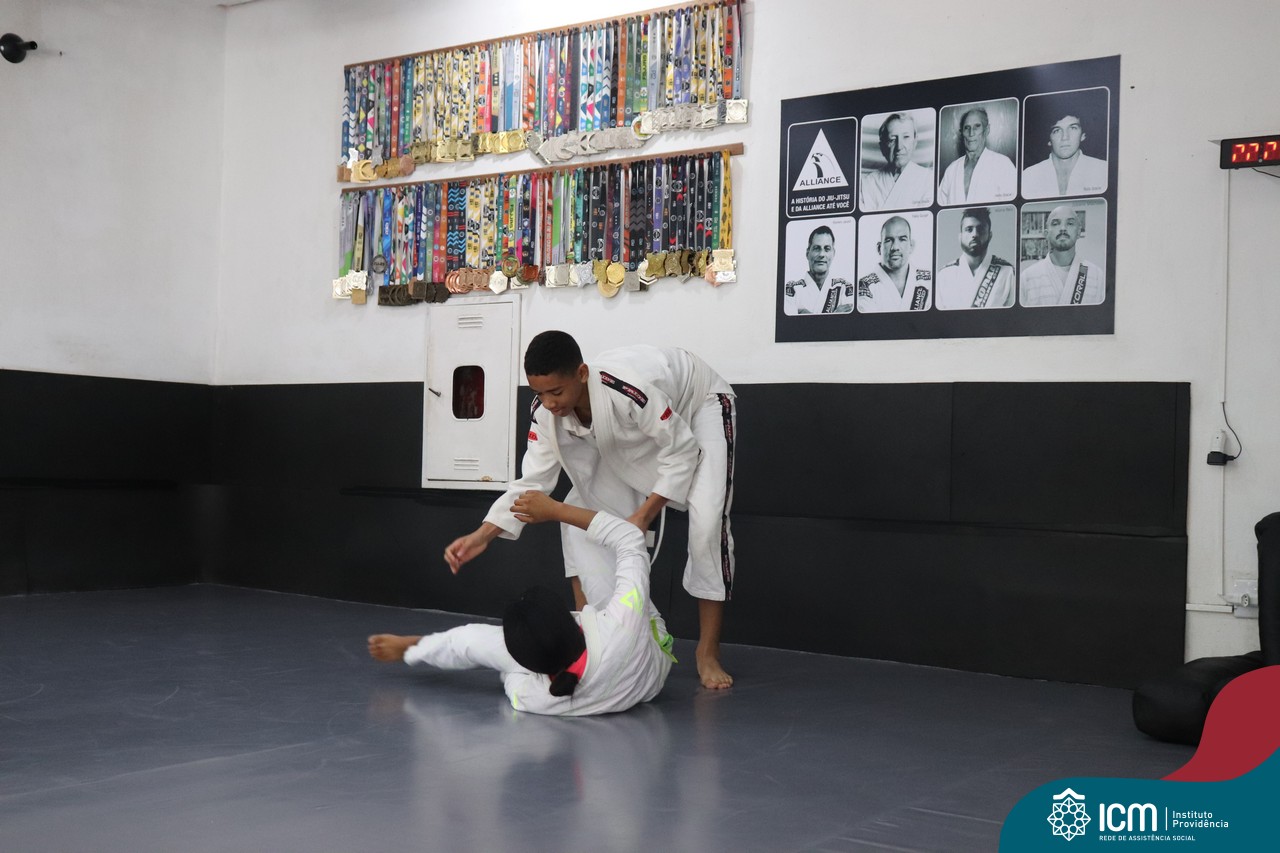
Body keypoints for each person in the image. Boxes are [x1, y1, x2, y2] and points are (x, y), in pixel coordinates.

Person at [445, 331, 737, 690]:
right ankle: (598, 631)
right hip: (651, 424)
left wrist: (643, 517)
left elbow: (682, 452)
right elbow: (531, 483)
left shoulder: (628, 390)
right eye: (539, 393)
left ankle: (708, 651)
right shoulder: (545, 412)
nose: (549, 403)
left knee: (707, 524)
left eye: (556, 392)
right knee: (581, 510)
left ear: (582, 374)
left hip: (699, 401)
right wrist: (483, 535)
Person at [371, 493, 676, 716]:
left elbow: (479, 652)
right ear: (571, 620)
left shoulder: (535, 698)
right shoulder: (623, 621)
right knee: (598, 553)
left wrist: (513, 667)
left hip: (605, 668)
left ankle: (416, 647)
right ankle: (418, 647)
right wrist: (556, 510)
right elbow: (629, 537)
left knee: (474, 644)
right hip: (648, 659)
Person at [1019, 204, 1105, 306]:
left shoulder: (1096, 275)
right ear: (1046, 234)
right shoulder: (1028, 277)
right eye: (1055, 224)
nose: (1063, 228)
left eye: (1070, 223)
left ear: (1078, 232)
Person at [935, 207, 1015, 309]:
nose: (975, 234)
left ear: (990, 235)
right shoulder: (944, 275)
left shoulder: (1007, 272)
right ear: (960, 237)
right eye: (969, 229)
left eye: (980, 229)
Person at [936, 107, 1016, 205]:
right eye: (967, 128)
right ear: (962, 133)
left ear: (987, 130)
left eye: (977, 126)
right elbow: (941, 207)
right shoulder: (951, 170)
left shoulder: (1003, 164)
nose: (971, 133)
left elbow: (1012, 206)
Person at [858, 113, 934, 211]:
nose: (899, 147)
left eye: (906, 137)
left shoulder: (928, 179)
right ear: (882, 146)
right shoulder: (867, 183)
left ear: (915, 142)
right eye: (892, 139)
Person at [1021, 113, 1107, 198]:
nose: (1065, 137)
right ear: (1049, 140)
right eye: (1057, 130)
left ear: (1083, 135)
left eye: (1073, 128)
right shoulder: (1029, 176)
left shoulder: (1103, 170)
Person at [857, 216, 931, 312]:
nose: (895, 247)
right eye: (888, 240)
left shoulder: (929, 280)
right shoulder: (865, 285)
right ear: (879, 248)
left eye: (902, 239)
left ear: (911, 246)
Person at [784, 224, 854, 314]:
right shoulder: (792, 289)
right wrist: (835, 315)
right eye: (816, 248)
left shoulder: (844, 287)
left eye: (827, 249)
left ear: (833, 253)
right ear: (807, 253)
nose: (821, 254)